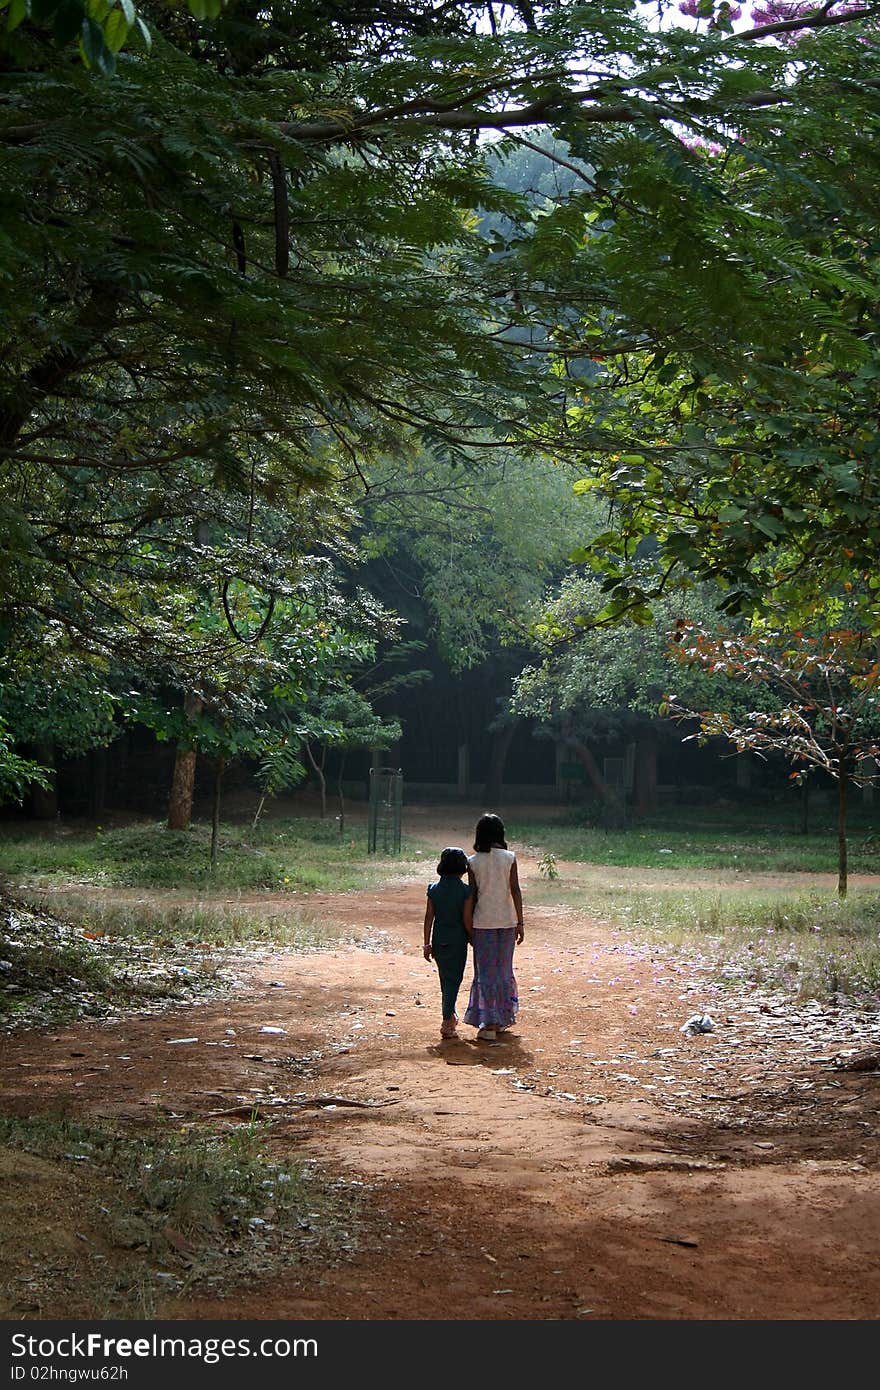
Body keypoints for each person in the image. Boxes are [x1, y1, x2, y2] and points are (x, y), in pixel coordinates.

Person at [463, 812, 524, 1042]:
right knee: (503, 971)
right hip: (507, 922)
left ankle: (487, 1022)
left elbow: (472, 896)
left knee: (485, 973)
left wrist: (468, 927)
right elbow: (515, 890)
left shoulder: (473, 862)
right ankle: (502, 1018)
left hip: (483, 924)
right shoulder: (509, 858)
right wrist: (521, 922)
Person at [423, 846, 474, 1039]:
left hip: (439, 940)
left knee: (445, 979)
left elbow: (429, 918)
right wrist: (472, 937)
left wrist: (426, 943)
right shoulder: (465, 891)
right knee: (454, 980)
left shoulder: (434, 889)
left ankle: (450, 1015)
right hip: (457, 941)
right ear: (463, 868)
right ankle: (447, 1021)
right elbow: (467, 920)